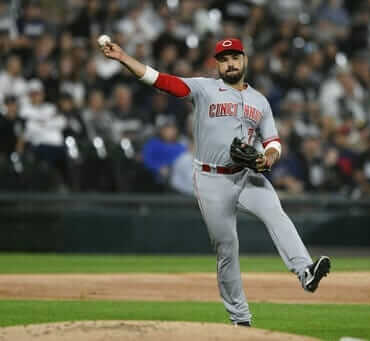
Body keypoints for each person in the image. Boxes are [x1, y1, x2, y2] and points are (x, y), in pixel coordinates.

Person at [100, 37, 331, 326]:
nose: (230, 63)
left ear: (244, 60)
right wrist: (124, 57)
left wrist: (267, 158)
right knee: (227, 247)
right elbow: (160, 80)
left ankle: (305, 271)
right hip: (211, 179)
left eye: (234, 57)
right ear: (217, 64)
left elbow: (273, 141)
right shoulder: (204, 88)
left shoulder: (260, 101)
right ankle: (240, 319)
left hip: (247, 175)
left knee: (276, 214)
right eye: (223, 58)